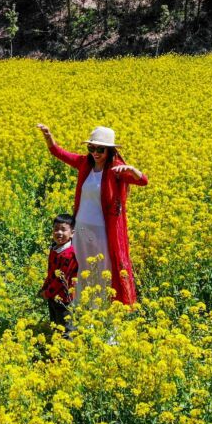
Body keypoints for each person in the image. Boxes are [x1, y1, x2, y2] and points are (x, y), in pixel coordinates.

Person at [36, 124, 147, 306]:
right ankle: (81, 311)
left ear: (110, 151)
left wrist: (132, 170)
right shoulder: (84, 164)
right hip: (80, 228)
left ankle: (102, 311)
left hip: (102, 232)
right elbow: (58, 152)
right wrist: (48, 136)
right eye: (91, 148)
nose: (95, 153)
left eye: (100, 149)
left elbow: (143, 181)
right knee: (81, 269)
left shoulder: (116, 169)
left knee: (102, 270)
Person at [39, 213, 78, 334]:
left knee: (66, 328)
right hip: (52, 296)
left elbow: (62, 279)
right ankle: (56, 348)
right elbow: (51, 273)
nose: (59, 233)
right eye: (56, 229)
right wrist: (44, 287)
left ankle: (68, 350)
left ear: (72, 233)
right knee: (55, 324)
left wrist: (47, 292)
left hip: (64, 298)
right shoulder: (54, 249)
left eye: (63, 229)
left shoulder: (69, 254)